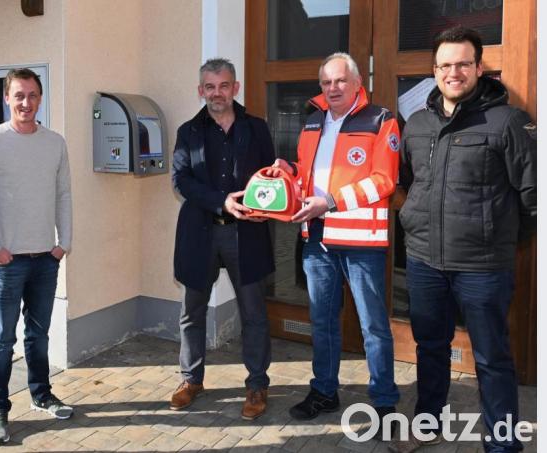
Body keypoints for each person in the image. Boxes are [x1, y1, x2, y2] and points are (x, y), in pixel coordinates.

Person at [389, 26, 536, 453]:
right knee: (429, 347)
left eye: (463, 64)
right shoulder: (417, 123)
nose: (454, 72)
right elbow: (410, 183)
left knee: (491, 359)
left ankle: (502, 443)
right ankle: (428, 423)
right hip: (423, 262)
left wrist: (501, 238)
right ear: (434, 71)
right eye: (445, 65)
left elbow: (533, 197)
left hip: (483, 267)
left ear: (478, 68)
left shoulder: (508, 122)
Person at [272, 52, 400, 428]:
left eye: (340, 81)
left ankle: (384, 403)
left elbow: (384, 181)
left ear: (358, 83)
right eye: (326, 82)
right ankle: (324, 392)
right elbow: (309, 176)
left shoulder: (381, 120)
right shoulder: (312, 123)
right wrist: (288, 172)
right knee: (322, 321)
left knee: (373, 326)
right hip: (317, 239)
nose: (332, 88)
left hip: (361, 243)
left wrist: (330, 201)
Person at [0, 68, 74, 444]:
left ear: (40, 99)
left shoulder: (55, 142)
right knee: (2, 339)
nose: (25, 103)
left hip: (46, 258)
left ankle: (41, 394)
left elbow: (63, 195)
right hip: (7, 262)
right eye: (18, 96)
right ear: (6, 99)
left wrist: (65, 243)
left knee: (38, 335)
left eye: (32, 95)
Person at [170, 58, 275, 420]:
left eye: (224, 85)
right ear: (201, 90)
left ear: (236, 87)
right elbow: (181, 180)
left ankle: (257, 385)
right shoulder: (188, 131)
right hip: (200, 233)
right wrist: (221, 200)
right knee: (191, 313)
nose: (217, 93)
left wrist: (270, 201)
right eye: (210, 87)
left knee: (254, 315)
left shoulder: (256, 128)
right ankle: (191, 380)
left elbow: (270, 175)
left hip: (245, 234)